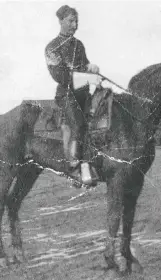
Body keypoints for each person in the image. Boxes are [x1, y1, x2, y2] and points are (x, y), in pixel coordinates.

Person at [45, 5, 101, 185]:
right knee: (77, 125)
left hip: (84, 95)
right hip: (66, 95)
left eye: (76, 21)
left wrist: (92, 69)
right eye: (71, 21)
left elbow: (84, 67)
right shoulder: (51, 48)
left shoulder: (79, 45)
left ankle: (91, 165)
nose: (75, 25)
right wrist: (87, 77)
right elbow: (60, 76)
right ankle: (74, 168)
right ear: (60, 21)